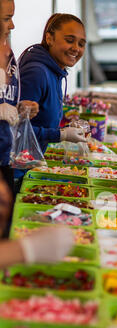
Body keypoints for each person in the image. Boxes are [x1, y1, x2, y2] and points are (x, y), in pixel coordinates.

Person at [18, 13, 87, 157]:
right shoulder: (37, 73)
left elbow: (41, 122)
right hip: (16, 170)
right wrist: (61, 134)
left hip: (31, 163)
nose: (76, 48)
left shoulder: (55, 72)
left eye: (81, 44)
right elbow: (16, 127)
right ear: (49, 38)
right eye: (69, 40)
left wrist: (66, 130)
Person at [0, 0, 38, 193]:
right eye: (7, 18)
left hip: (5, 158)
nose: (12, 25)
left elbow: (5, 97)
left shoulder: (7, 52)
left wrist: (18, 107)